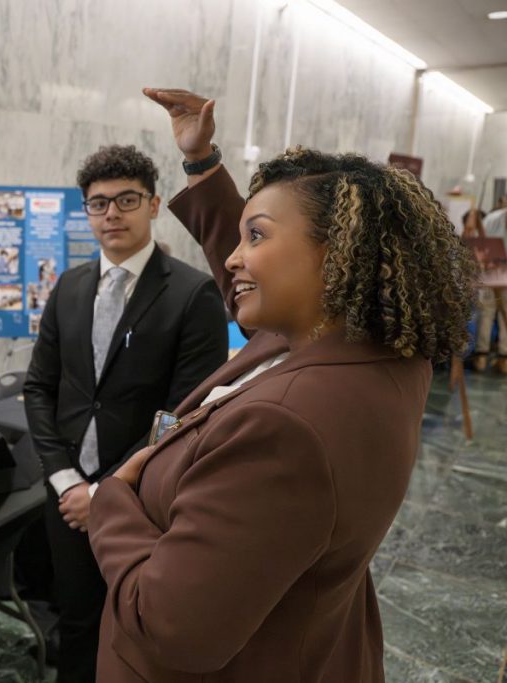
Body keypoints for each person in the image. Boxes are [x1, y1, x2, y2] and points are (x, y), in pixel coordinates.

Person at [86, 89, 476, 682]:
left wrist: (111, 499)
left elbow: (171, 628)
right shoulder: (378, 348)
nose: (235, 258)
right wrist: (203, 165)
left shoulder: (284, 425)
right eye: (241, 238)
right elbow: (245, 273)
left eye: (258, 236)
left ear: (338, 252)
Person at [24, 144, 229, 682]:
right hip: (67, 496)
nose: (111, 213)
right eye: (98, 204)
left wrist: (106, 492)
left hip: (143, 499)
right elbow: (39, 389)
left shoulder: (193, 293)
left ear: (155, 204)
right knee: (76, 621)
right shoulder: (68, 287)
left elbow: (184, 419)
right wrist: (68, 481)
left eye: (126, 200)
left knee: (133, 631)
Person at [473, 198, 507, 373]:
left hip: (495, 272)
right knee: (486, 313)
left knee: (496, 315)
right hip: (491, 273)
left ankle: (502, 359)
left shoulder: (492, 218)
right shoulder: (492, 219)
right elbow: (479, 245)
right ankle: (482, 356)